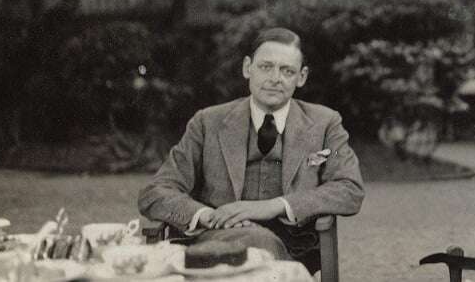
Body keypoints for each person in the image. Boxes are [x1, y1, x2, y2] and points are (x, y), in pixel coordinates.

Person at [138, 28, 364, 273]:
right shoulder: (208, 122)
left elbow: (349, 189)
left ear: (302, 77)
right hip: (217, 240)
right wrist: (205, 215)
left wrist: (275, 205)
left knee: (261, 244)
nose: (275, 78)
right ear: (248, 68)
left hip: (291, 249)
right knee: (254, 246)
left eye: (287, 71)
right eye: (266, 67)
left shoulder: (324, 123)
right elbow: (155, 192)